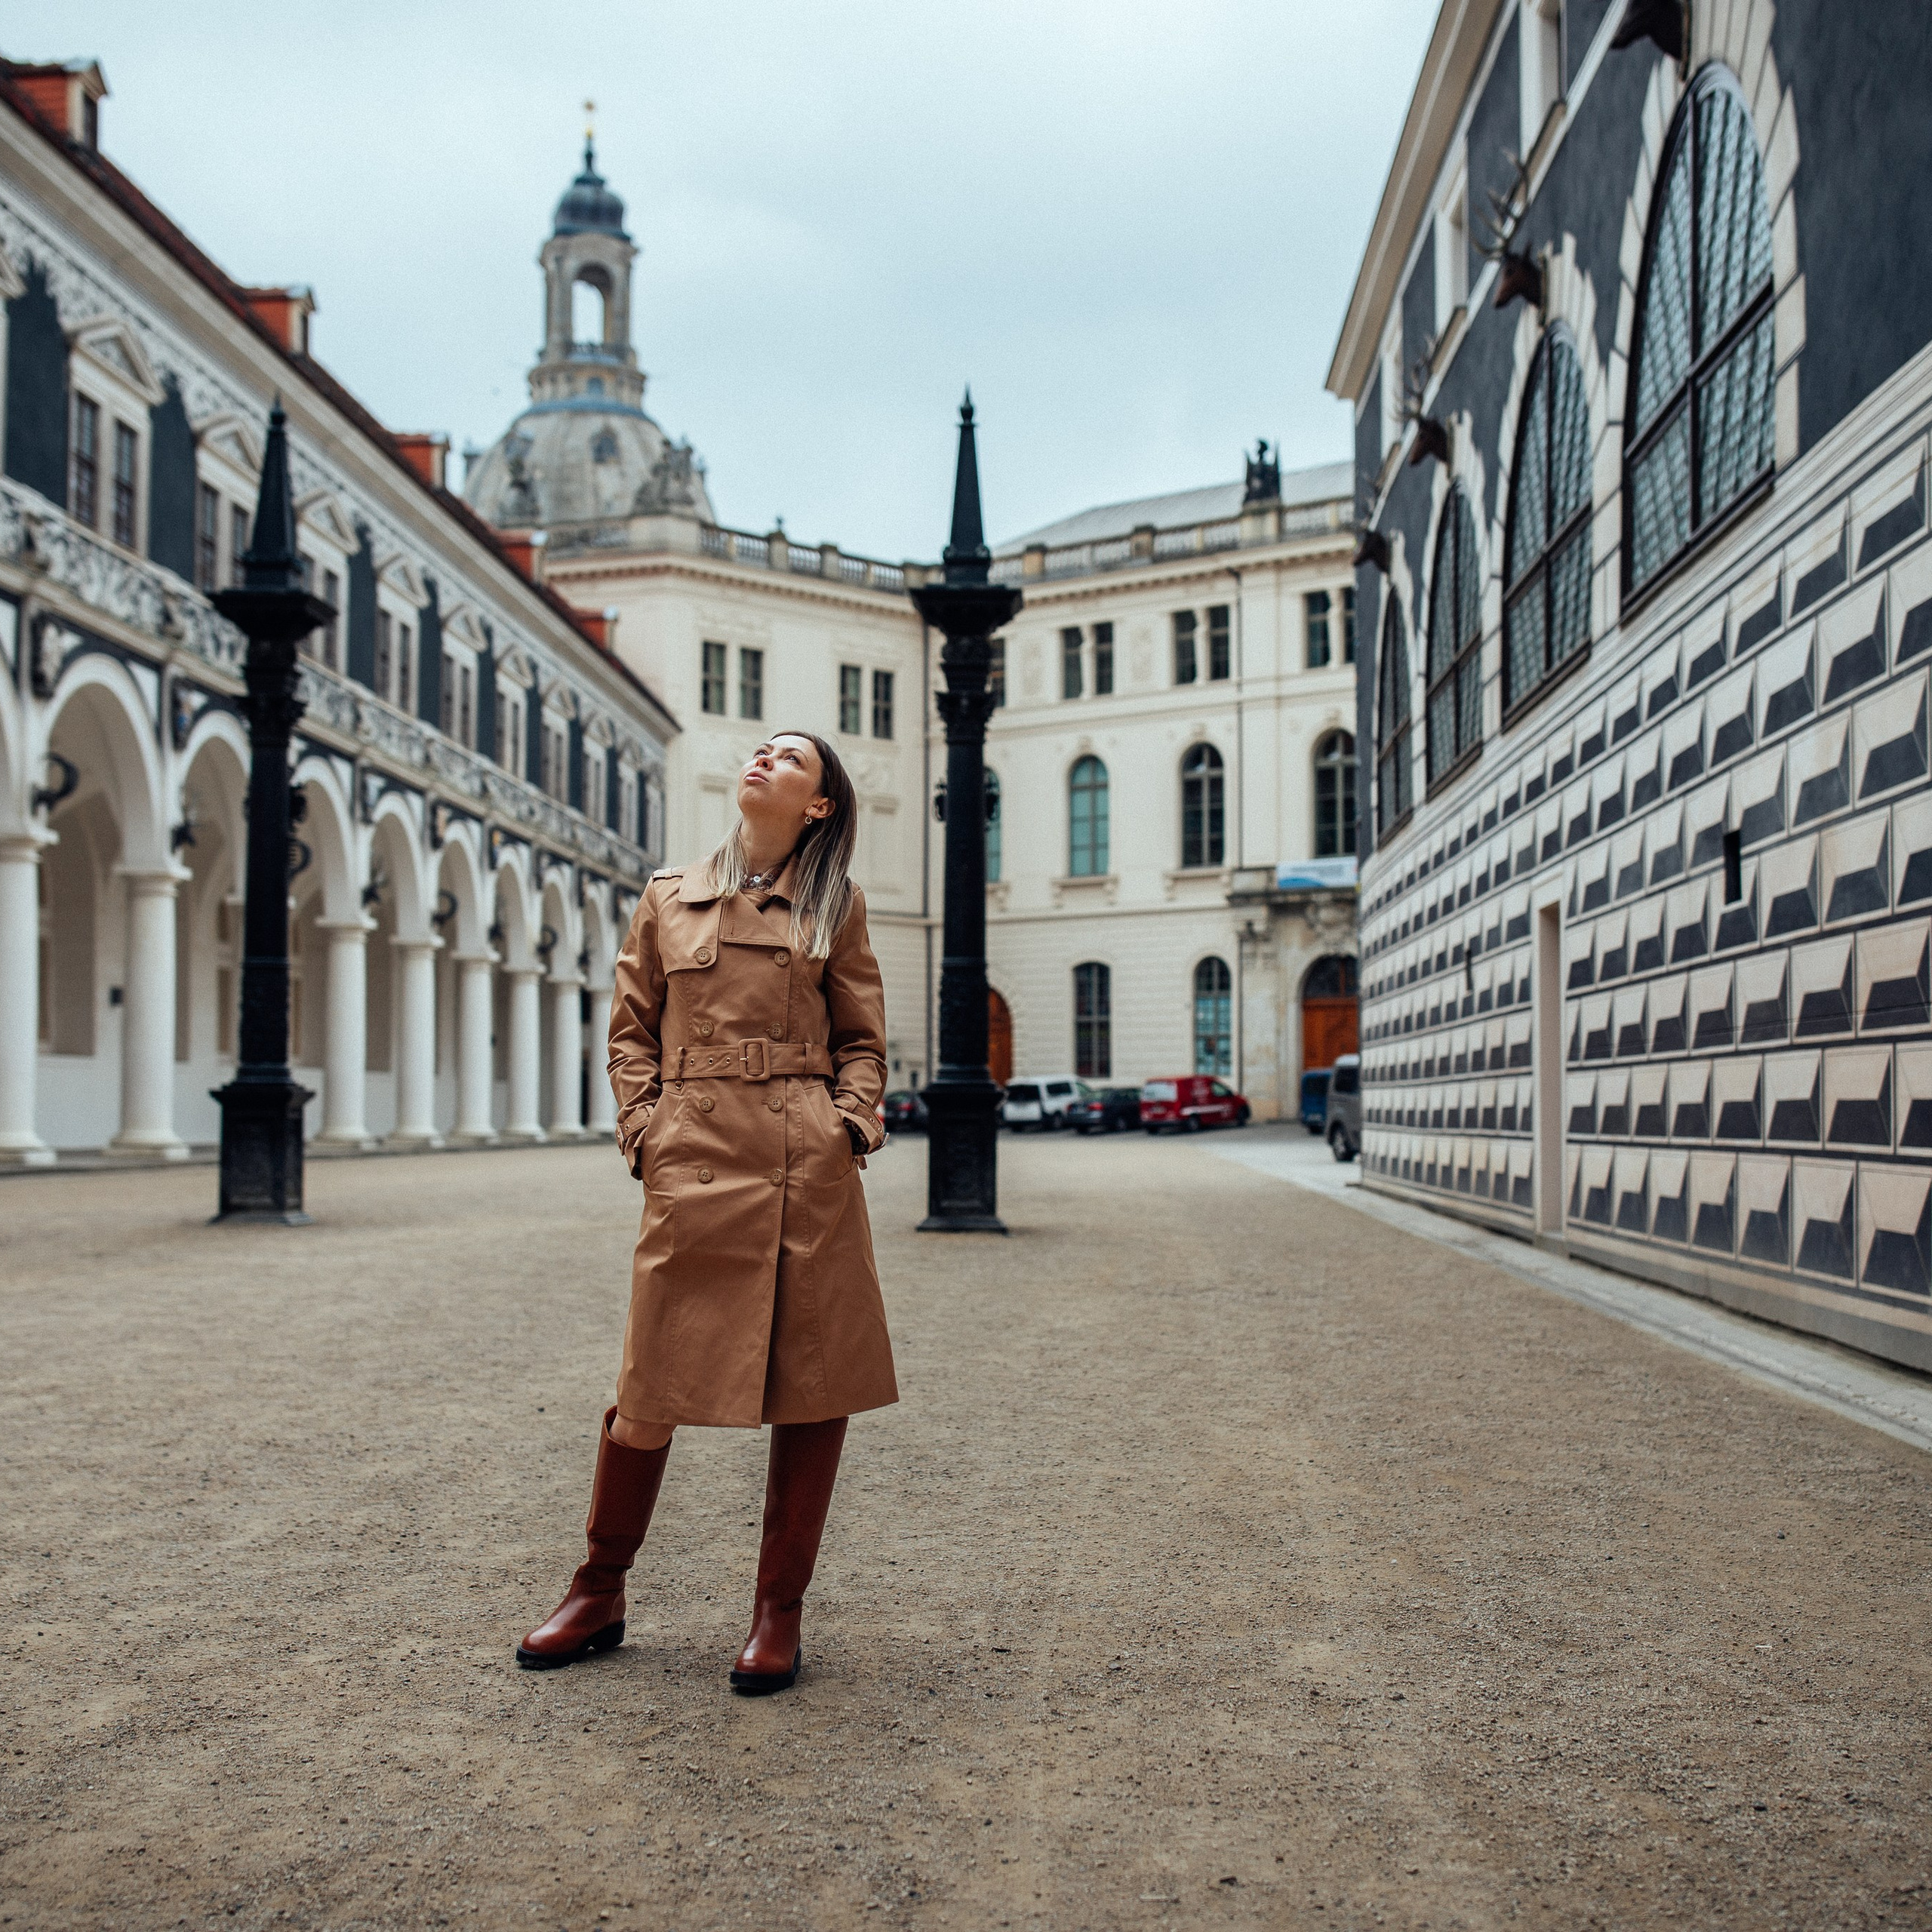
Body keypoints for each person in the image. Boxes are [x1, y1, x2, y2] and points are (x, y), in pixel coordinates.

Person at [517, 731, 897, 1693]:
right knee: (647, 1387)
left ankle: (779, 1613)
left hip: (799, 1167)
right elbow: (629, 1030)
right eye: (760, 750)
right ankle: (598, 1588)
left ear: (818, 806)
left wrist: (846, 1126)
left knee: (812, 1386)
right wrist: (644, 1129)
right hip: (690, 1158)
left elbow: (863, 1039)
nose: (764, 759)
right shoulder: (667, 895)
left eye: (792, 759)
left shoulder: (834, 906)